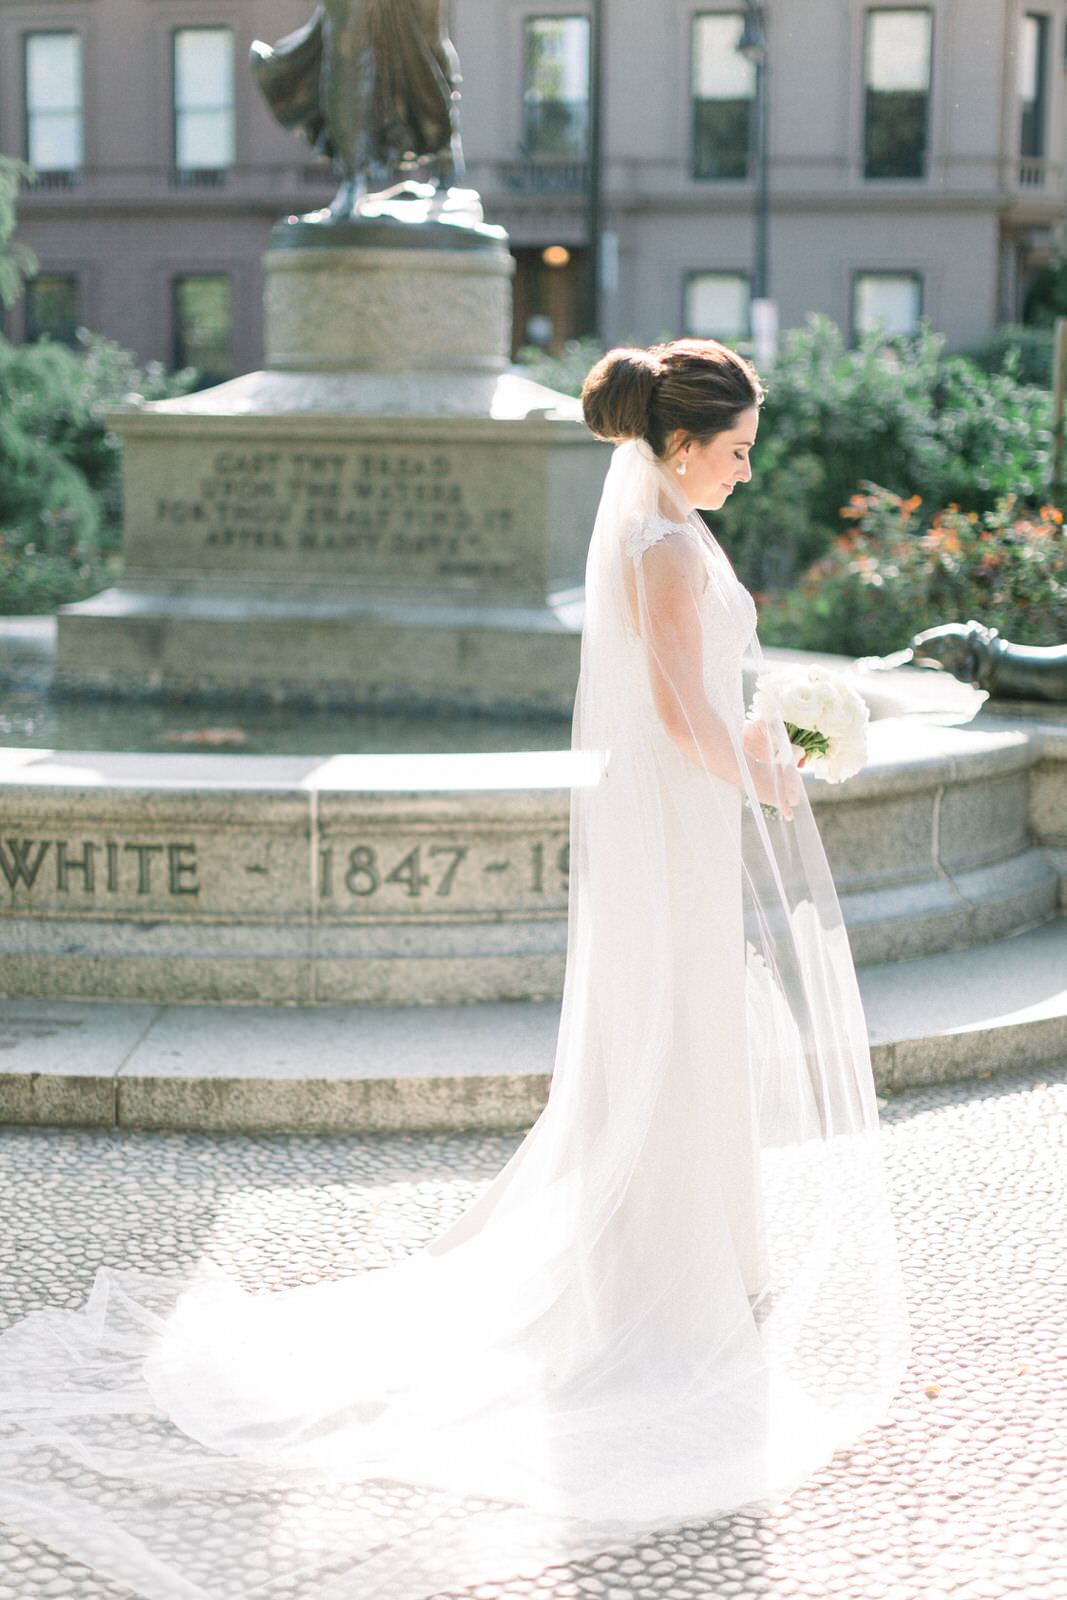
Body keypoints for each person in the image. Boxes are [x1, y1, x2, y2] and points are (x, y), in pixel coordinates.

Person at [0, 339, 909, 1600]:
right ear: (680, 444)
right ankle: (653, 1280)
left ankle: (692, 1263)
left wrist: (775, 731)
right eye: (739, 449)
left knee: (694, 1030)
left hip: (688, 829)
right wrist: (769, 761)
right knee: (674, 1030)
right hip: (679, 829)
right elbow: (677, 714)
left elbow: (702, 700)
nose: (747, 472)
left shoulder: (670, 535)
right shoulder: (654, 549)